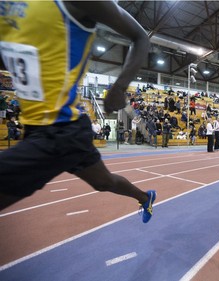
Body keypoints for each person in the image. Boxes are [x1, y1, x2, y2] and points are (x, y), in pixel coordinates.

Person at [0, 1, 156, 223]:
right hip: (43, 128)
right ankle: (144, 197)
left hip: (59, 131)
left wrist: (119, 88)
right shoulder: (8, 7)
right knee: (104, 182)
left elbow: (140, 37)